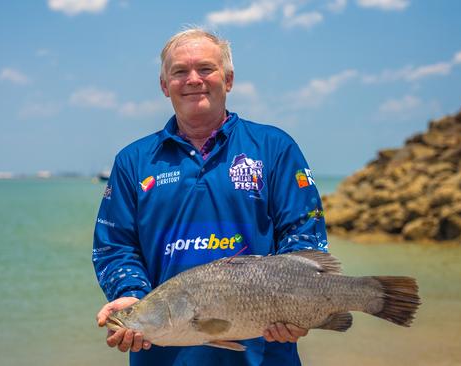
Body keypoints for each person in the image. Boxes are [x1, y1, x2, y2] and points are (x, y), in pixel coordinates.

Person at [93, 28, 328, 366]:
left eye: (205, 68)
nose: (193, 79)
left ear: (228, 79)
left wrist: (296, 304)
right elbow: (114, 247)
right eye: (179, 71)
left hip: (266, 352)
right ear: (164, 85)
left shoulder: (275, 147)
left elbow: (304, 233)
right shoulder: (133, 161)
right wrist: (132, 297)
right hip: (163, 354)